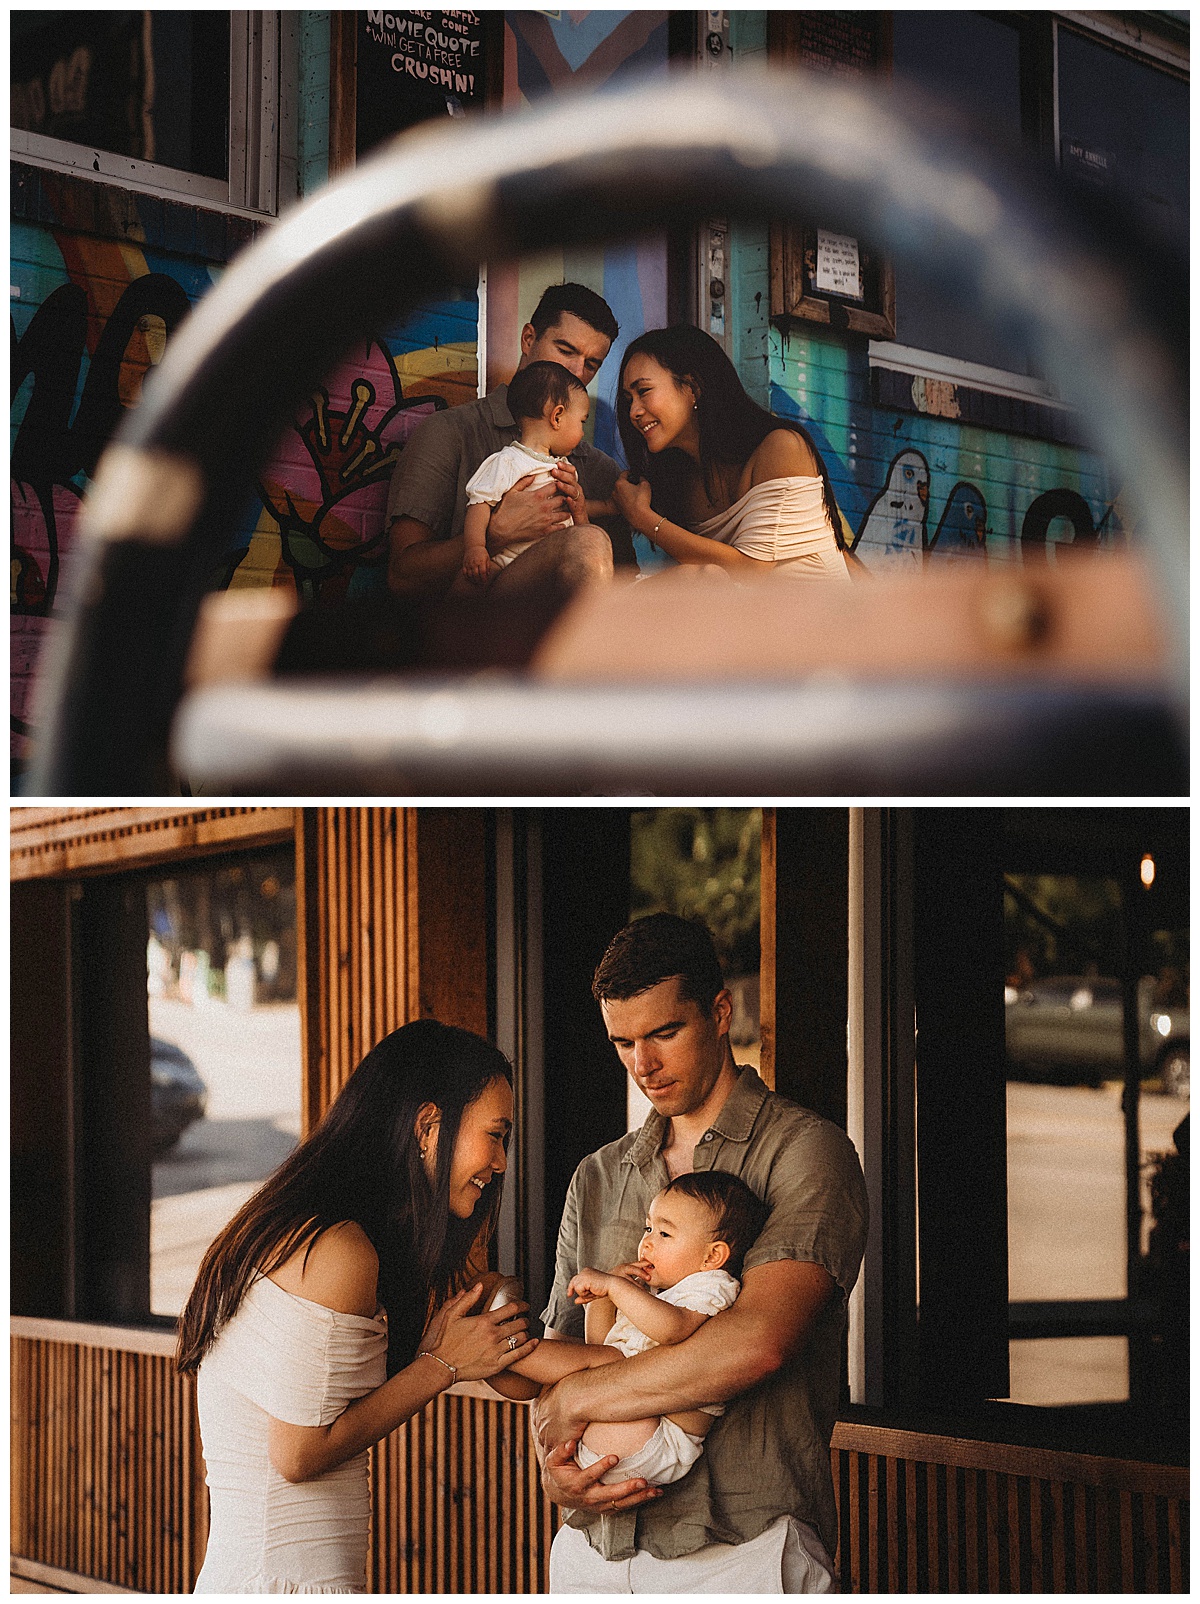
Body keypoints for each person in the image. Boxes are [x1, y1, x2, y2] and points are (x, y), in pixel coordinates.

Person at [532, 913, 869, 1594]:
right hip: (590, 1554)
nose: (642, 1064)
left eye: (663, 1033)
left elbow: (753, 1346)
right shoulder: (598, 1176)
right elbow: (558, 1362)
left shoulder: (804, 1152)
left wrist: (578, 1397)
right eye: (622, 1042)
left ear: (722, 1011)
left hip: (738, 1552)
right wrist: (550, 1452)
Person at [177, 1019, 539, 1594]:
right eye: (495, 1135)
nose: (500, 1163)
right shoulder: (340, 1251)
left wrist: (447, 1336)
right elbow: (298, 1454)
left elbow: (510, 1366)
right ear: (428, 1127)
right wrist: (440, 1366)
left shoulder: (322, 1231)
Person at [493, 1169, 767, 1490]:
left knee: (601, 1362)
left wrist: (615, 1287)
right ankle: (493, 1361)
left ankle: (499, 1347)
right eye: (648, 1228)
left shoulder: (712, 1285)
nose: (647, 1242)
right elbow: (598, 1344)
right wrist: (604, 1298)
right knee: (585, 1365)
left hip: (659, 1439)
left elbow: (673, 1330)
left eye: (664, 1234)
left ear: (712, 1256)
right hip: (618, 1429)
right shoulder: (659, 1297)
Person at [386, 282, 628, 601]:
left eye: (592, 364)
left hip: (562, 636)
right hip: (468, 631)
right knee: (588, 542)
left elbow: (624, 588)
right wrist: (494, 535)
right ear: (529, 339)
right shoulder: (450, 432)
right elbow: (401, 577)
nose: (576, 370)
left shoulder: (598, 470)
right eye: (566, 350)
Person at [613, 325, 853, 582]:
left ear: (693, 387)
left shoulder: (779, 448)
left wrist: (643, 518)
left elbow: (751, 569)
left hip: (820, 616)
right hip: (753, 616)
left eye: (644, 391)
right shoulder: (681, 479)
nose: (633, 412)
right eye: (629, 399)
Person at [457, 362, 607, 590]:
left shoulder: (564, 467)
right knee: (471, 589)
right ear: (557, 417)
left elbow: (578, 518)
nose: (582, 431)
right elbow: (479, 504)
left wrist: (602, 506)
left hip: (553, 567)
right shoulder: (508, 462)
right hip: (507, 565)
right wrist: (476, 548)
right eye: (582, 421)